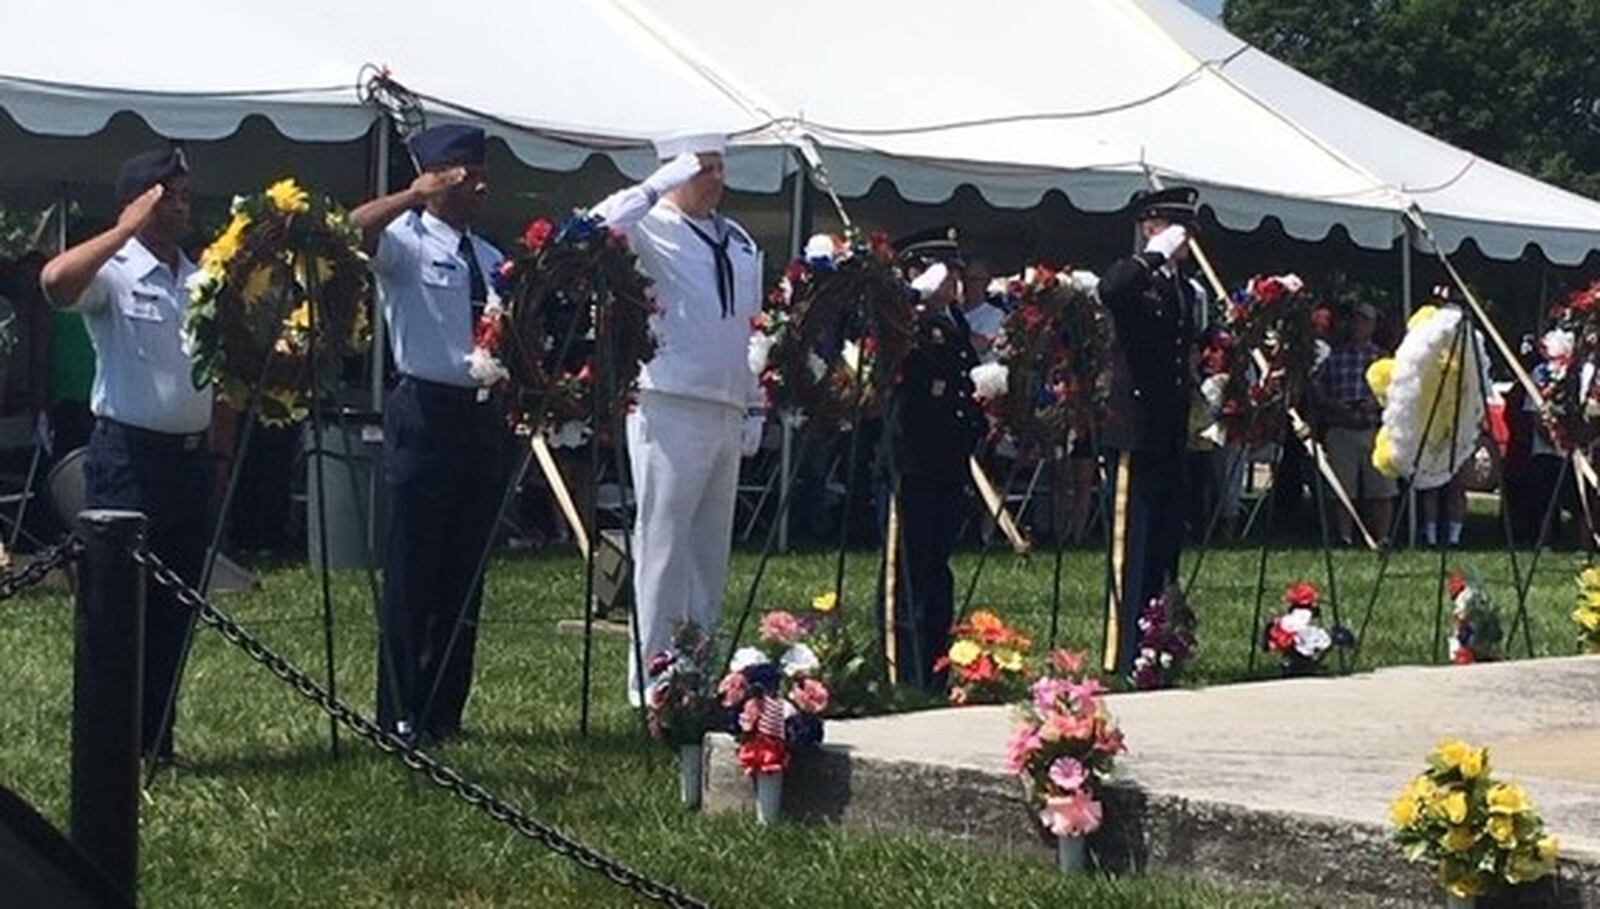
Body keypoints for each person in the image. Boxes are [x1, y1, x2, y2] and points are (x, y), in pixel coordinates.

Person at [38, 147, 213, 763]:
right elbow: (56, 284)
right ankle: (109, 744)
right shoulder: (115, 271)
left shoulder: (201, 278)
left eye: (187, 196)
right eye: (170, 195)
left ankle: (156, 739)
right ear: (140, 200)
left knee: (174, 609)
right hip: (129, 456)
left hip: (192, 460)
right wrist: (122, 230)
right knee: (118, 611)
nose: (183, 206)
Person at [589, 132, 765, 702]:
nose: (715, 179)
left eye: (719, 167)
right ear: (674, 170)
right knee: (663, 542)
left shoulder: (737, 239)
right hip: (669, 400)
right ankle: (651, 680)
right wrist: (653, 187)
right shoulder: (650, 225)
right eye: (701, 168)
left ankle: (696, 671)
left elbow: (751, 324)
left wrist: (756, 400)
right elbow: (594, 227)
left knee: (709, 549)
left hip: (725, 401)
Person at [351, 124, 509, 743]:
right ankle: (399, 710)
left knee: (464, 573)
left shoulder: (492, 259)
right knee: (415, 568)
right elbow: (349, 231)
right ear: (440, 175)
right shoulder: (406, 242)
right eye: (468, 175)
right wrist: (411, 194)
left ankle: (446, 710)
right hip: (424, 408)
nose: (480, 186)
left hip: (481, 413)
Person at [1096, 187, 1202, 676]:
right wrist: (1152, 256)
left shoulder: (1182, 287)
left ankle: (1158, 642)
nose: (1184, 242)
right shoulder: (1137, 276)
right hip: (1134, 428)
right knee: (1131, 542)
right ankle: (1121, 651)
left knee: (1164, 543)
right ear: (1150, 226)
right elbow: (1111, 290)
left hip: (1169, 427)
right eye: (1174, 229)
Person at [881, 227, 984, 692]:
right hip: (913, 457)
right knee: (908, 566)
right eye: (945, 272)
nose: (953, 282)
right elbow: (887, 331)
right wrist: (914, 298)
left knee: (937, 566)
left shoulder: (955, 322)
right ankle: (902, 664)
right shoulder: (909, 317)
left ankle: (934, 662)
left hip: (948, 457)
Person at [1312, 302, 1394, 546]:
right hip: (1341, 429)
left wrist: (1377, 403)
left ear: (1373, 326)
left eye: (1365, 320)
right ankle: (1344, 537)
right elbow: (1317, 388)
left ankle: (1382, 537)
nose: (1359, 325)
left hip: (1374, 430)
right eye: (1356, 320)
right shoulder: (1334, 356)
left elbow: (1400, 390)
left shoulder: (1382, 358)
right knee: (1341, 490)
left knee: (1382, 490)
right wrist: (1333, 404)